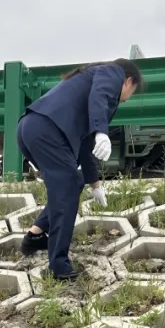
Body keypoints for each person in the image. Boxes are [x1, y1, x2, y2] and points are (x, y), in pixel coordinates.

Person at [17, 59, 143, 280]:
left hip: (32, 129)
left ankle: (34, 237)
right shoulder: (111, 72)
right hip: (47, 130)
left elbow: (85, 146)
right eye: (133, 91)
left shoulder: (90, 85)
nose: (128, 97)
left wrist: (95, 185)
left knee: (71, 184)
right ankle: (58, 267)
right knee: (66, 191)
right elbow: (100, 96)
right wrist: (101, 131)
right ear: (129, 81)